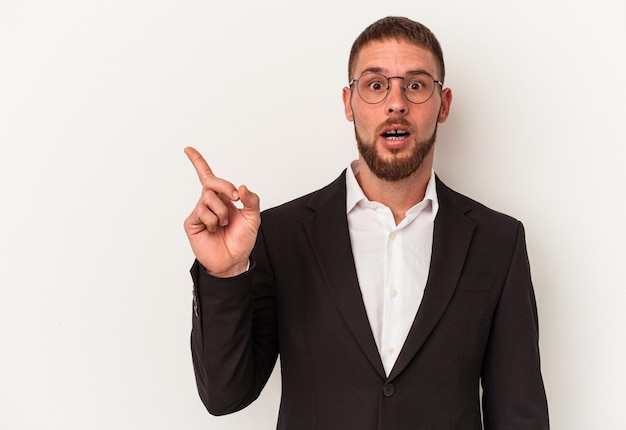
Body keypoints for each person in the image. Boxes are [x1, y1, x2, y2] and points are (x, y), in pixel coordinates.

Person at [184, 16, 549, 430]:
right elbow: (224, 395)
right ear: (348, 103)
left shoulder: (497, 241)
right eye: (376, 85)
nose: (396, 103)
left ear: (443, 104)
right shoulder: (280, 236)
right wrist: (225, 273)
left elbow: (520, 414)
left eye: (415, 85)